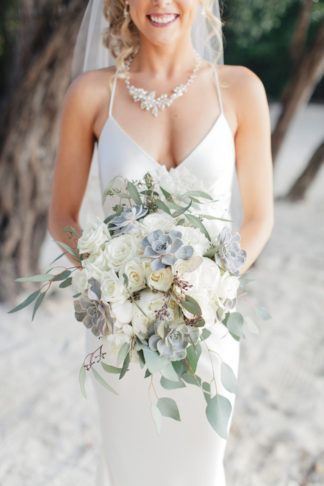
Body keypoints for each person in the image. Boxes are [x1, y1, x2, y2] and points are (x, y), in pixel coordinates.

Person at [48, 0, 274, 484]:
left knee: (202, 462)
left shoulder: (239, 89)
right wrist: (109, 277)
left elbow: (258, 217)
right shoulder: (91, 94)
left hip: (207, 326)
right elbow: (62, 217)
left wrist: (212, 282)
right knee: (129, 464)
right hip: (120, 328)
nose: (162, 3)